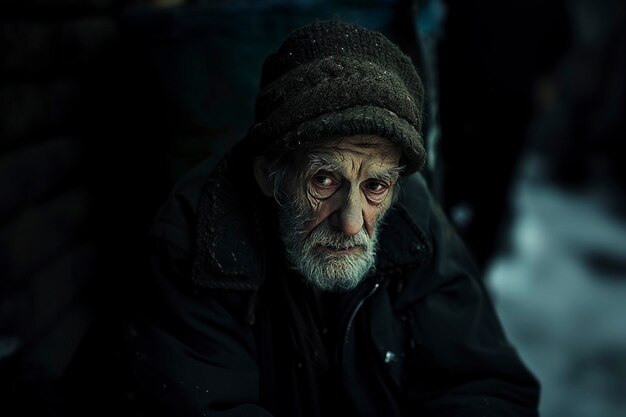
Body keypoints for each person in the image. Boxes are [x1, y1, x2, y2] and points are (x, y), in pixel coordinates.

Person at [125, 20, 539, 417]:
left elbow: (484, 386)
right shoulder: (195, 235)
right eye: (324, 180)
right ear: (269, 175)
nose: (351, 223)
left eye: (375, 187)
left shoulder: (411, 216)